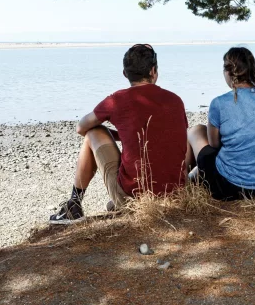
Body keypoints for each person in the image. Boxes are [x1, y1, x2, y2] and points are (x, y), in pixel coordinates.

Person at [49, 44, 188, 224]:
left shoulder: (117, 100)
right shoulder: (175, 100)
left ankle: (73, 205)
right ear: (153, 71)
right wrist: (126, 133)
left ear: (125, 74)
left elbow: (81, 127)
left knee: (94, 131)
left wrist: (114, 132)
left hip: (134, 197)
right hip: (175, 193)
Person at [185, 47, 255, 201]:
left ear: (228, 71)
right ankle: (190, 178)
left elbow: (214, 144)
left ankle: (182, 181)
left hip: (233, 186)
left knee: (195, 131)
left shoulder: (219, 103)